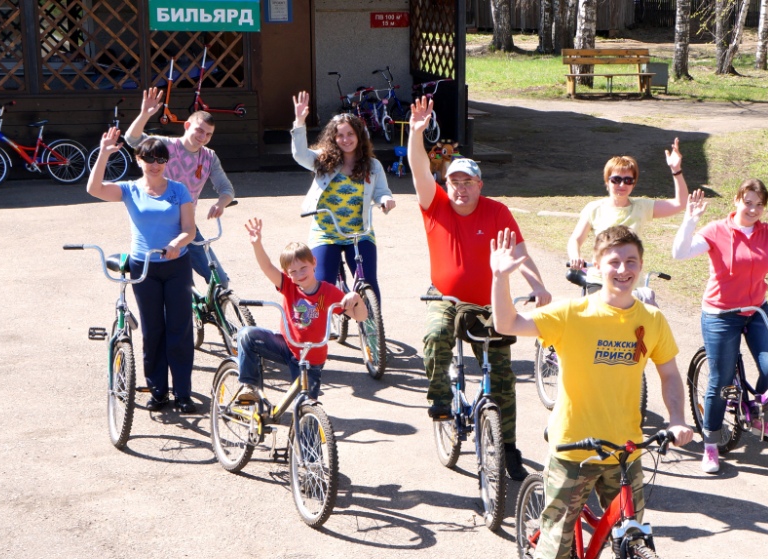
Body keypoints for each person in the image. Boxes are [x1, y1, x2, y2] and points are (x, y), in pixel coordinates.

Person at [491, 225, 694, 559]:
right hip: (573, 449)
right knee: (557, 539)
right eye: (614, 261)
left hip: (626, 451)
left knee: (635, 537)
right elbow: (506, 323)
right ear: (598, 266)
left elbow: (670, 375)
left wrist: (677, 419)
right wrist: (500, 277)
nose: (623, 269)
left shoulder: (651, 319)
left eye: (631, 261)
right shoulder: (573, 314)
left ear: (641, 266)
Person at [407, 96, 552, 482]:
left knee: (501, 377)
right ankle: (441, 399)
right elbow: (419, 168)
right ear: (446, 184)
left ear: (479, 185)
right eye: (454, 181)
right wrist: (416, 133)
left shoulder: (497, 211)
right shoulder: (435, 205)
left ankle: (509, 447)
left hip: (490, 304)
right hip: (445, 297)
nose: (460, 188)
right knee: (436, 334)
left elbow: (519, 254)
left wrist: (539, 287)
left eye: (467, 182)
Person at [672, 181, 768, 475]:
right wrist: (690, 220)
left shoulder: (767, 233)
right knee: (721, 381)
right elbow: (679, 253)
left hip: (756, 310)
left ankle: (758, 414)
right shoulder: (716, 231)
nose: (753, 209)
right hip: (720, 314)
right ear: (737, 200)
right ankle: (711, 444)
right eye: (748, 202)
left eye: (759, 204)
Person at [87, 127, 197, 413]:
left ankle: (183, 393)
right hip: (143, 267)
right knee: (152, 330)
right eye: (149, 158)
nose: (155, 164)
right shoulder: (130, 189)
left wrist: (176, 243)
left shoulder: (179, 190)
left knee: (179, 329)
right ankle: (158, 391)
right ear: (138, 159)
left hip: (176, 265)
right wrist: (104, 154)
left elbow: (189, 229)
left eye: (160, 159)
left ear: (167, 162)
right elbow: (94, 189)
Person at [234, 218, 368, 404]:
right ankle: (250, 387)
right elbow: (267, 267)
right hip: (286, 346)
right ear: (287, 274)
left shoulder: (328, 292)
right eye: (293, 272)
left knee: (305, 405)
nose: (299, 274)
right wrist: (257, 244)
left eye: (303, 268)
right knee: (246, 335)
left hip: (312, 358)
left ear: (314, 263)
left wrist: (357, 299)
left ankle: (305, 415)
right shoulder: (288, 286)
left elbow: (361, 316)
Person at [291, 91, 395, 303]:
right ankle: (324, 321)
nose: (345, 139)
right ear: (333, 138)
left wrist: (385, 200)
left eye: (350, 134)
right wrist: (299, 122)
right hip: (326, 232)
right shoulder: (323, 160)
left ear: (359, 136)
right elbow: (300, 155)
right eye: (340, 135)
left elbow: (382, 192)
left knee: (368, 281)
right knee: (323, 284)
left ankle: (372, 322)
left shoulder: (373, 165)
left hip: (360, 232)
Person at [125, 87, 235, 287]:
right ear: (187, 125)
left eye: (208, 134)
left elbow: (227, 189)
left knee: (220, 281)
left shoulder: (209, 157)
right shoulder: (165, 146)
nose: (203, 137)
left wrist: (221, 203)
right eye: (199, 130)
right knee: (178, 284)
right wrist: (144, 114)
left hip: (187, 227)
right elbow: (132, 139)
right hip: (160, 225)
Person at [567, 143, 687, 305]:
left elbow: (680, 203)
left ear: (634, 183)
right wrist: (575, 256)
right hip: (601, 280)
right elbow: (575, 239)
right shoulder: (594, 208)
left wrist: (676, 169)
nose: (622, 185)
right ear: (607, 181)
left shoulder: (642, 207)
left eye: (628, 180)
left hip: (631, 281)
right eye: (616, 180)